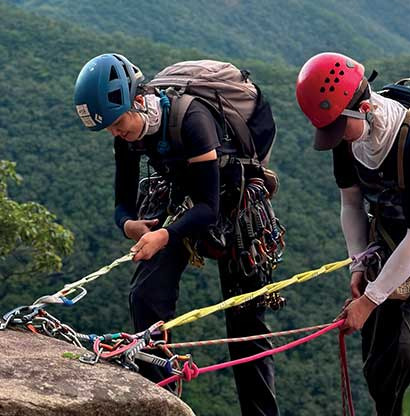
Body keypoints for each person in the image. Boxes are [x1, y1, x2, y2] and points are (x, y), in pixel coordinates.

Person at [74, 52, 279, 416]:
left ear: (138, 101)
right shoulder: (128, 134)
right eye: (108, 127)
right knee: (145, 295)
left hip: (231, 198)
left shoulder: (192, 119)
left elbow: (209, 208)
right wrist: (130, 225)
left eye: (117, 122)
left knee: (245, 320)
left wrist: (164, 236)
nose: (114, 132)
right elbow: (122, 202)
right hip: (181, 198)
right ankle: (160, 398)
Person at [295, 52, 410, 416]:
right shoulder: (347, 137)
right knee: (379, 367)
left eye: (339, 127)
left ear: (364, 107)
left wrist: (369, 300)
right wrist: (357, 264)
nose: (337, 138)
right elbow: (351, 204)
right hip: (385, 243)